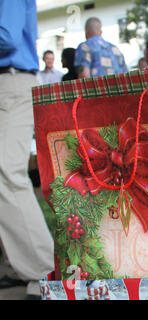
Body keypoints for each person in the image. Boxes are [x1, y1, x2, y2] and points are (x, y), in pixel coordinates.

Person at [0, 0, 54, 299]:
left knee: (7, 172)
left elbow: (6, 36)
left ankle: (44, 271)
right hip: (6, 80)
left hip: (11, 79)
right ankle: (17, 263)